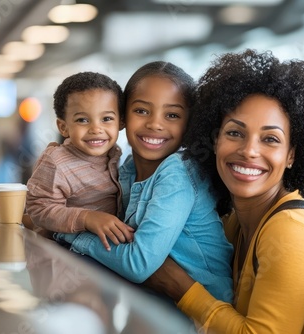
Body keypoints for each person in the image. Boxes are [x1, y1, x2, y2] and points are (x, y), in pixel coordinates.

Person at [144, 49, 304, 333]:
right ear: (215, 139)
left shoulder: (292, 230)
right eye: (234, 133)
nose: (249, 150)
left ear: (291, 155)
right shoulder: (234, 222)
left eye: (270, 139)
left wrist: (180, 287)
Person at [55, 61, 234, 303]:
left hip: (203, 317)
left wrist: (67, 232)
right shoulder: (127, 169)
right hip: (156, 307)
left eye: (172, 115)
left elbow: (138, 264)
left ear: (188, 124)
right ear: (121, 117)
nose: (155, 124)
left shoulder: (178, 172)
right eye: (141, 111)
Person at [26, 72, 134, 250]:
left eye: (106, 119)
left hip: (100, 251)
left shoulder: (113, 154)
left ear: (121, 122)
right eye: (82, 120)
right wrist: (87, 218)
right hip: (63, 256)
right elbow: (38, 209)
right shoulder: (56, 161)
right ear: (63, 127)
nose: (96, 129)